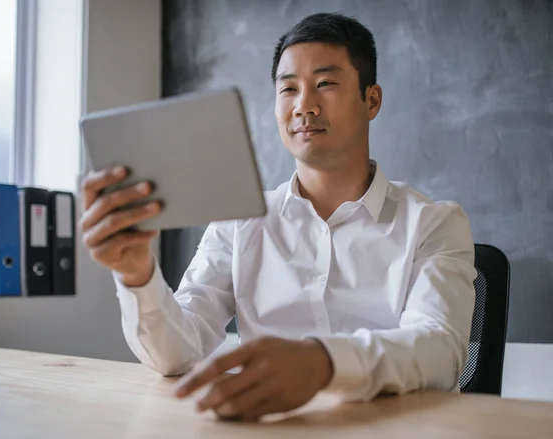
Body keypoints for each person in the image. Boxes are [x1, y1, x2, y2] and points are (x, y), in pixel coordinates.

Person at [79, 12, 477, 421]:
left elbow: (439, 349)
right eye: (288, 89)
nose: (304, 105)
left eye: (325, 83)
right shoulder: (239, 220)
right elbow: (178, 353)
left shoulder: (435, 223)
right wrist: (138, 276)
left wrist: (322, 362)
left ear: (371, 100)